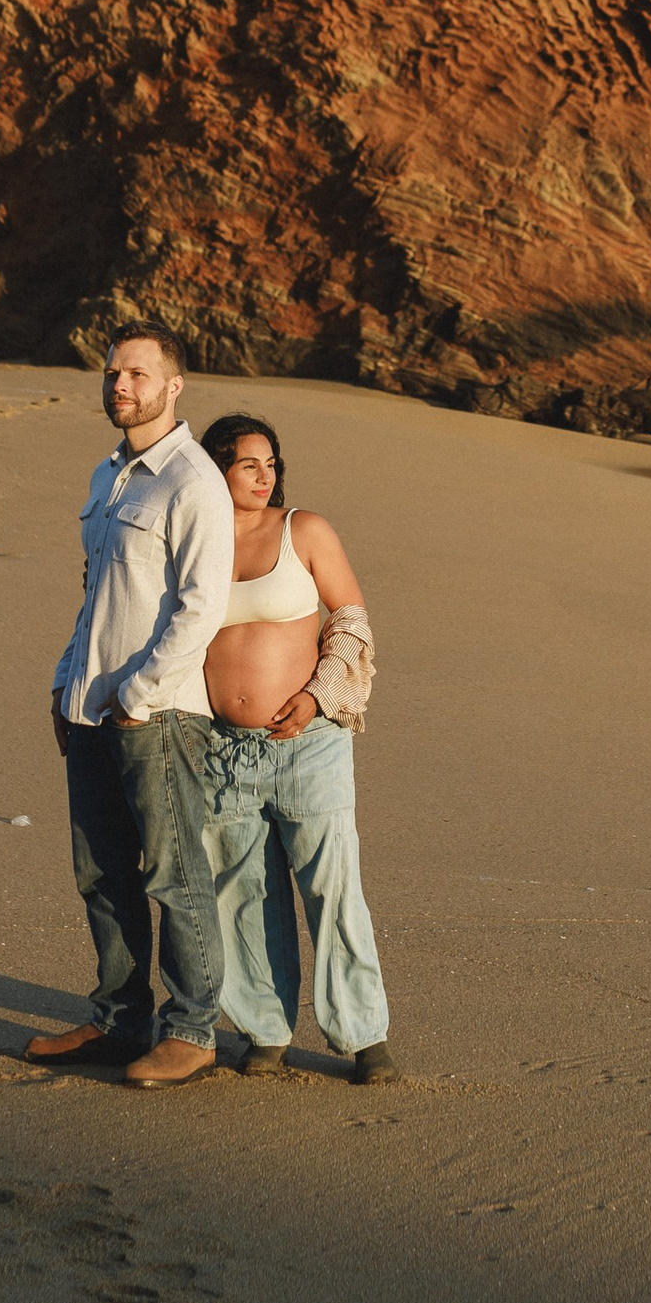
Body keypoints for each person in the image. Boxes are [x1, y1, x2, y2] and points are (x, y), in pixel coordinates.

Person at [22, 324, 233, 1090]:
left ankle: (192, 1031)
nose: (121, 387)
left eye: (138, 376)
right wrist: (65, 681)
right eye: (113, 374)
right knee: (101, 874)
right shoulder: (109, 476)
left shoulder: (193, 482)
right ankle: (118, 1021)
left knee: (173, 875)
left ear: (173, 386)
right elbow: (96, 596)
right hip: (88, 708)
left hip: (159, 715)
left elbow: (200, 608)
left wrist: (137, 697)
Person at [196, 412, 395, 1084]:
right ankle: (266, 1032)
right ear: (215, 469)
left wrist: (316, 696)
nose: (263, 476)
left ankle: (365, 1040)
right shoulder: (195, 544)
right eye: (247, 464)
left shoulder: (302, 530)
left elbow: (350, 621)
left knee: (333, 888)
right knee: (242, 894)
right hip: (223, 751)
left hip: (309, 744)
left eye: (270, 463)